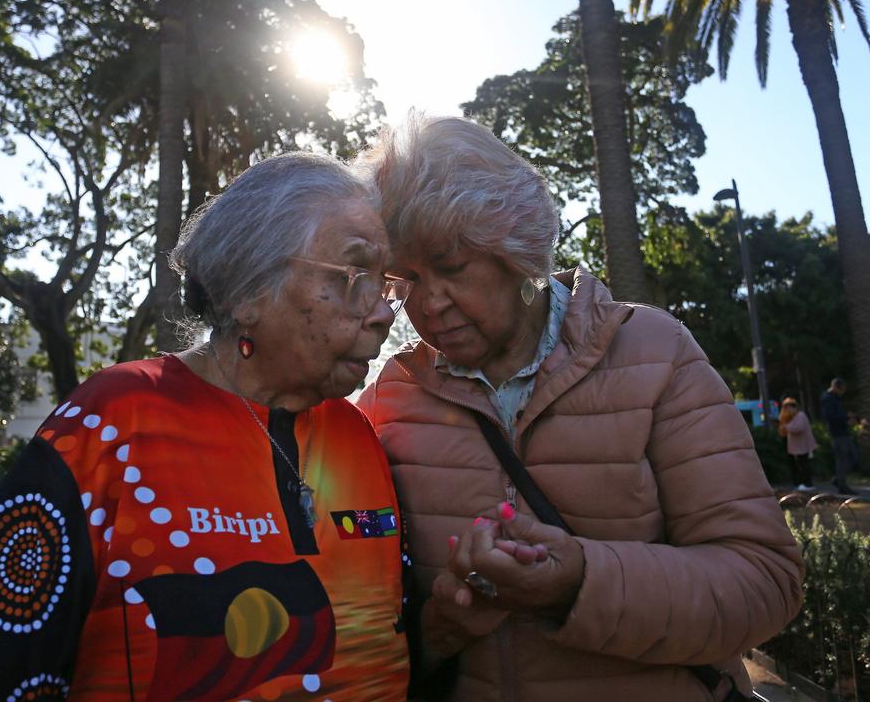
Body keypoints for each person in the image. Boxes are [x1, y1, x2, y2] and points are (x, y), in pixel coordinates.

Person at [0, 153, 414, 701]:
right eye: (356, 276)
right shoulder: (112, 424)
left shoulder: (359, 436)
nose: (383, 313)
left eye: (388, 285)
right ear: (248, 288)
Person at [355, 114, 803, 701]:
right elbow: (360, 630)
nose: (429, 302)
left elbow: (764, 585)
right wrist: (439, 628)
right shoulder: (390, 396)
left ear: (512, 244)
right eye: (403, 279)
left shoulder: (654, 354)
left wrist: (580, 582)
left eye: (451, 265)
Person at [820, 377, 857, 494]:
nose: (843, 392)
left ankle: (838, 479)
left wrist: (847, 419)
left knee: (853, 457)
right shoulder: (828, 399)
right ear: (836, 387)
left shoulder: (836, 398)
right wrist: (846, 419)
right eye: (841, 390)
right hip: (837, 434)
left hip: (844, 432)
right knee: (842, 459)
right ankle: (842, 486)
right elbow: (831, 417)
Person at [779, 397, 816, 490]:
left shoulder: (800, 416)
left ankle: (808, 484)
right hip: (800, 446)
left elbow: (799, 428)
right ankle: (805, 483)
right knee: (802, 465)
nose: (787, 411)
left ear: (794, 407)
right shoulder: (796, 416)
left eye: (789, 409)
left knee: (804, 465)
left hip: (802, 446)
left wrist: (787, 427)